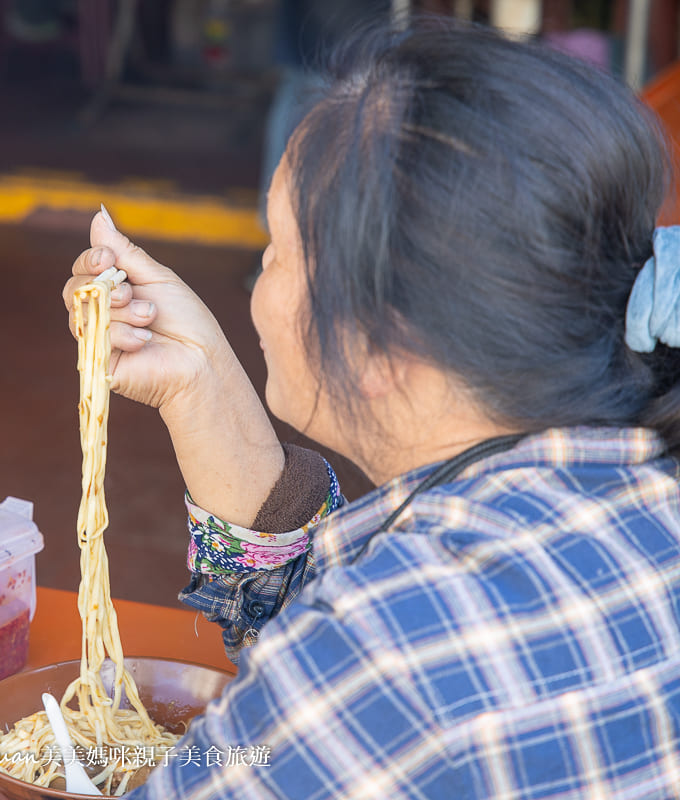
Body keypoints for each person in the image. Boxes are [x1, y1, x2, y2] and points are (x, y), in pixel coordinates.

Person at [63, 19, 680, 799]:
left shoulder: (391, 656)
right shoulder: (630, 485)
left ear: (383, 346)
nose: (259, 284)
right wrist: (202, 384)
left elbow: (364, 668)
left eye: (276, 252)